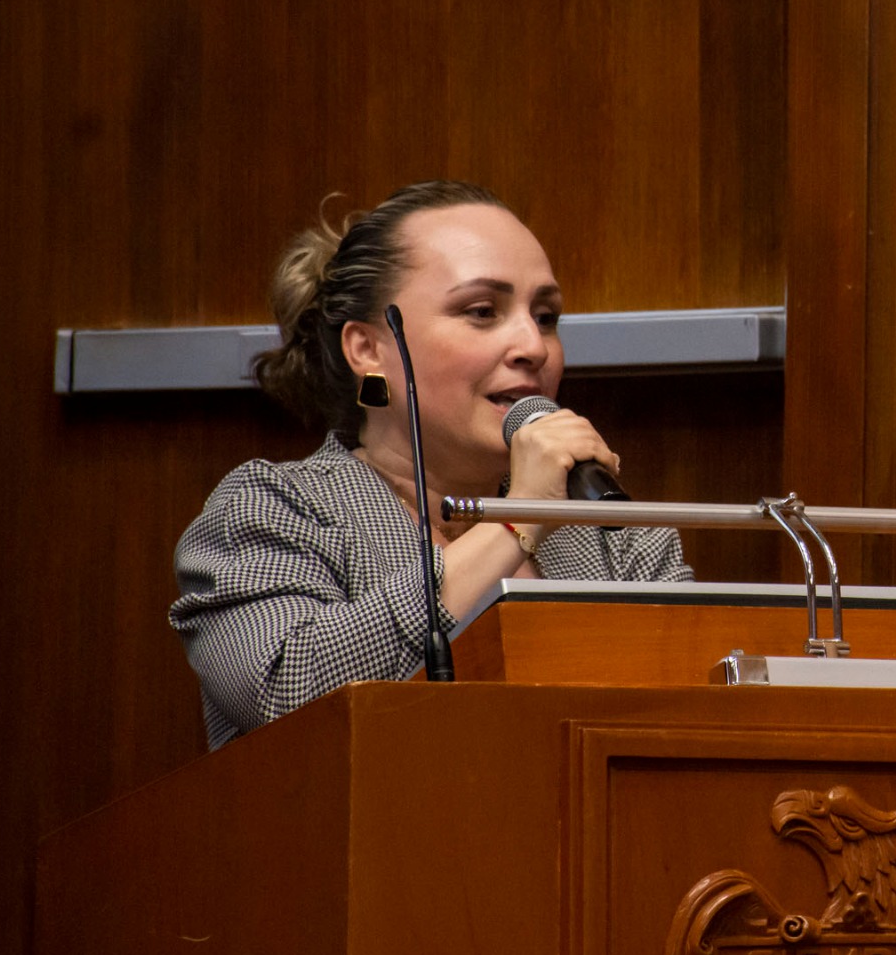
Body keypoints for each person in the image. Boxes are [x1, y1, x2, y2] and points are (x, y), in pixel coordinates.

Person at [170, 180, 693, 749]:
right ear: (368, 349)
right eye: (482, 311)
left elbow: (693, 722)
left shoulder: (616, 534)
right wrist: (517, 520)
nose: (534, 346)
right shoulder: (272, 510)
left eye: (545, 317)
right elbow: (286, 691)